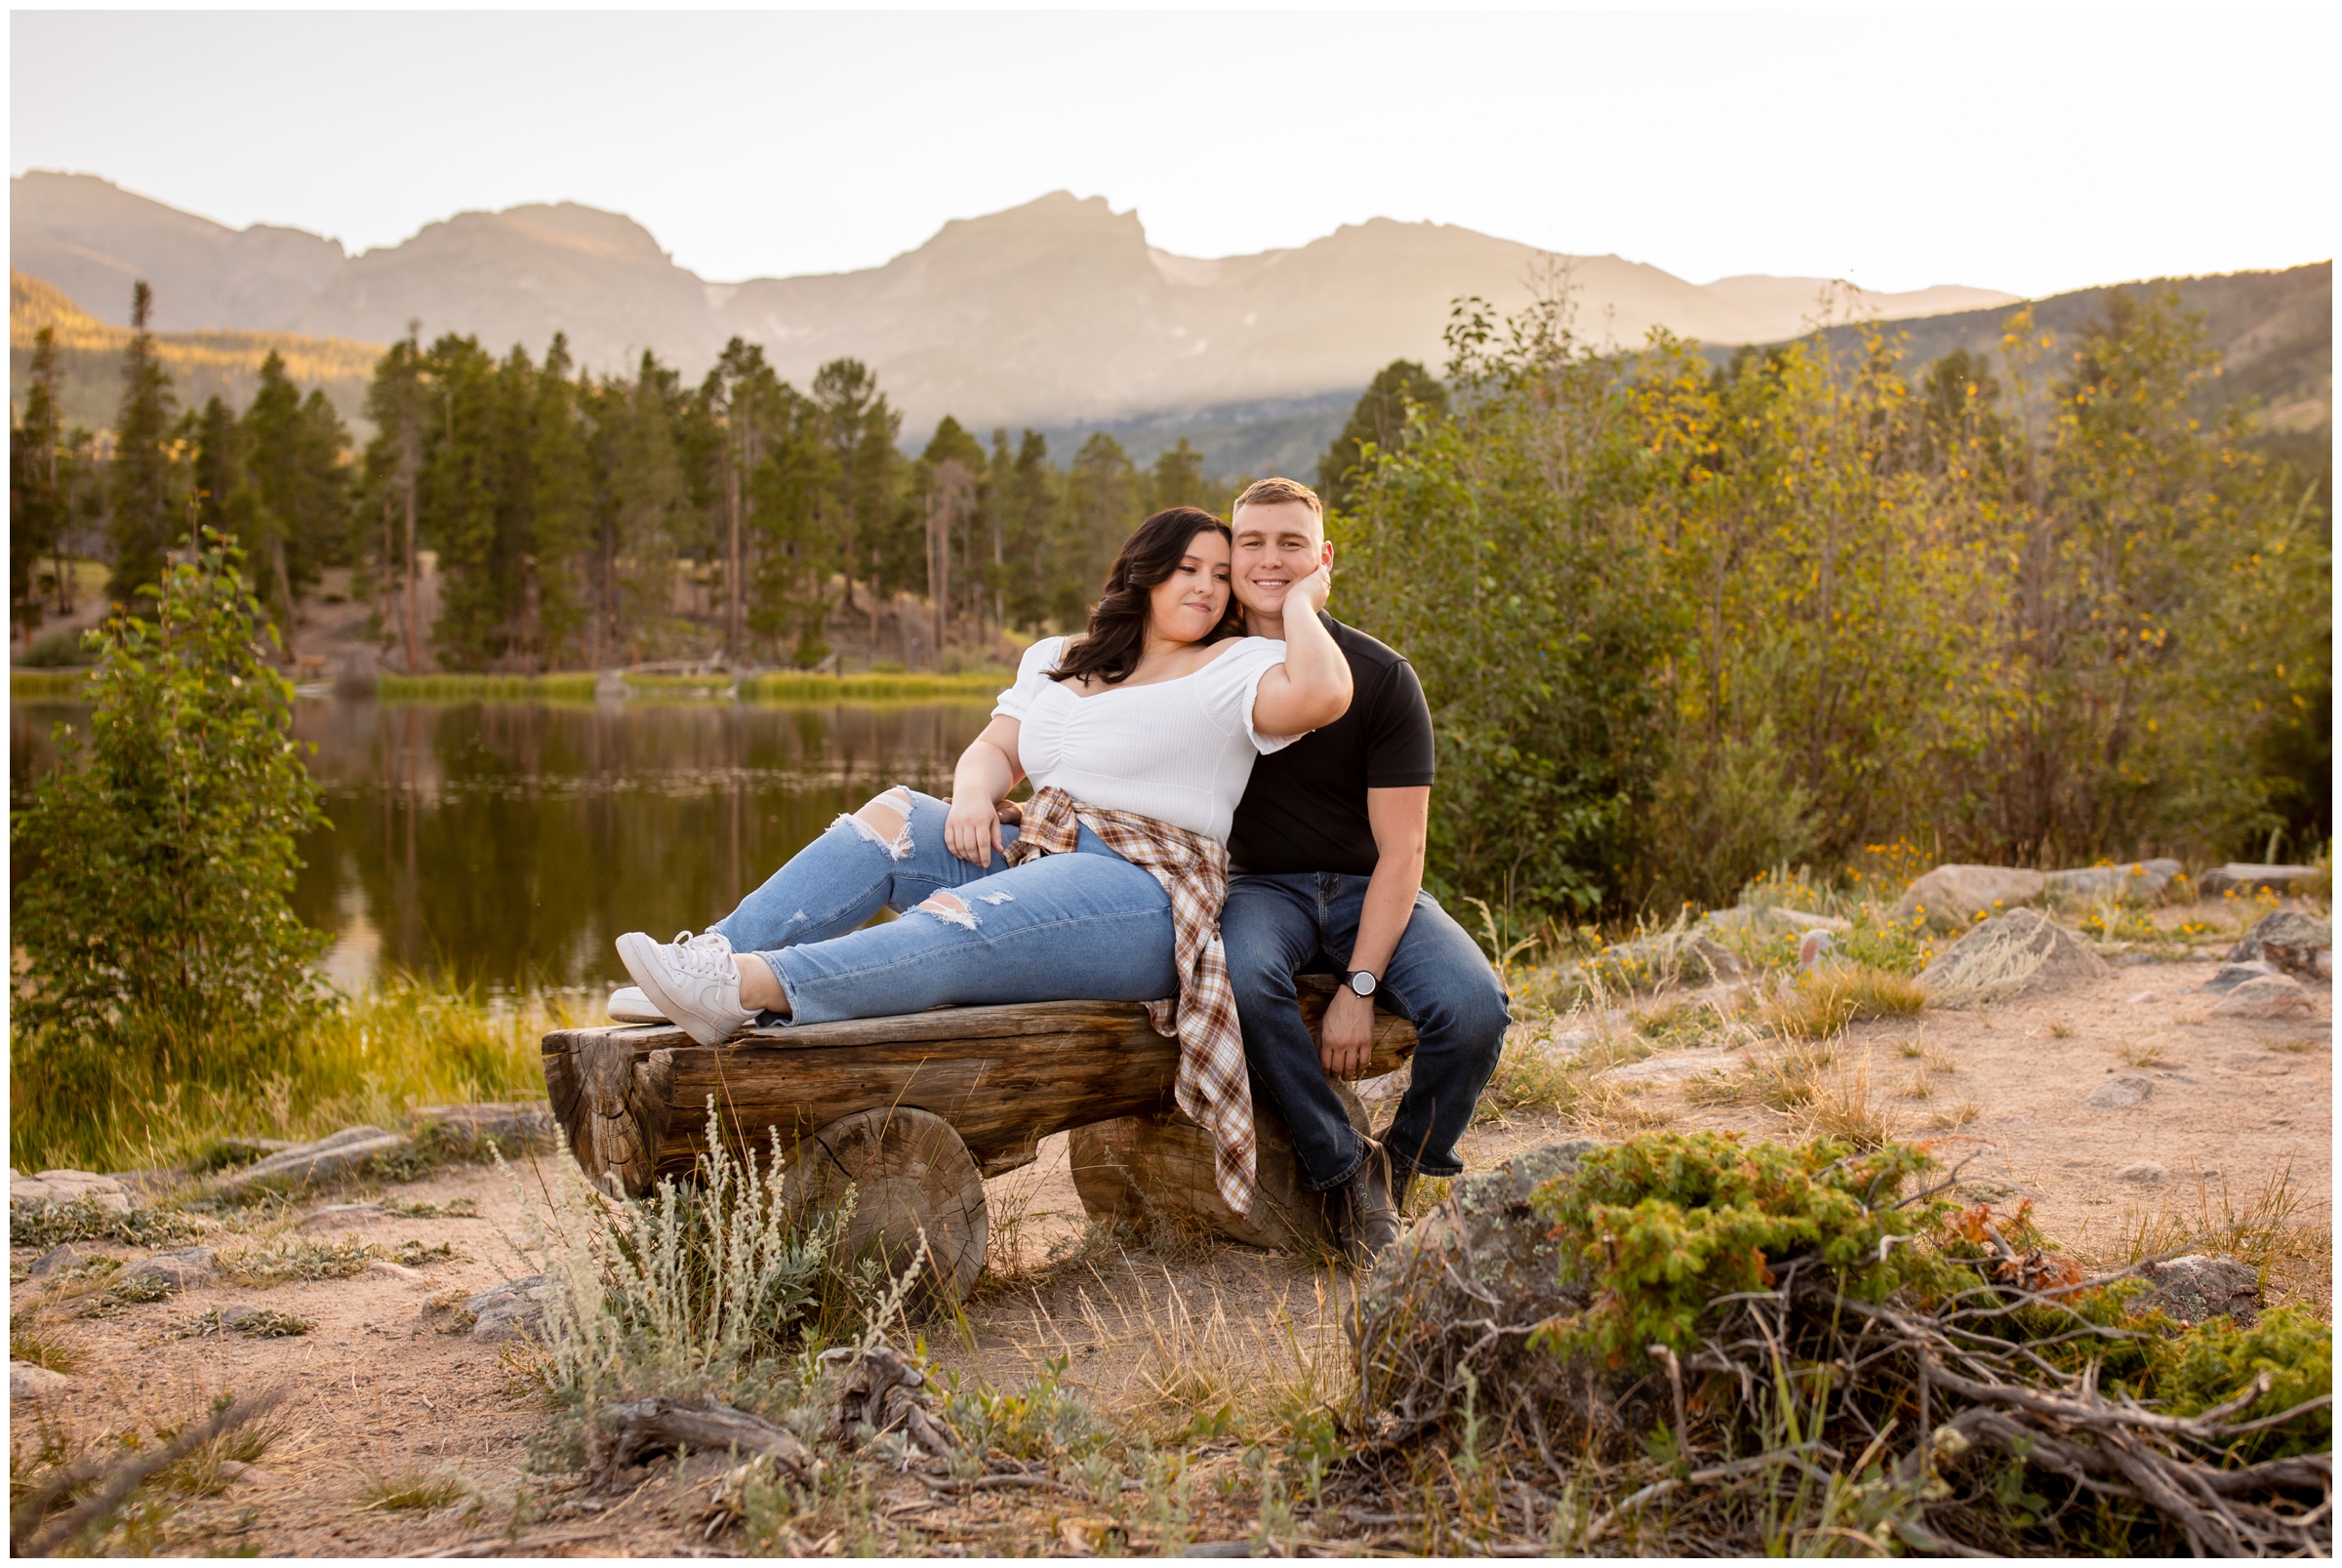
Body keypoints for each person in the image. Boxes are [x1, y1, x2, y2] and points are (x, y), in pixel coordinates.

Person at [610, 505, 1353, 1216]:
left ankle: (747, 987)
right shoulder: (1063, 656)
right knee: (896, 813)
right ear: (1143, 574)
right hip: (1039, 848)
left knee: (961, 917)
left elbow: (1323, 692)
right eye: (1186, 567)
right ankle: (716, 952)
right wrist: (970, 797)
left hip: (1145, 895)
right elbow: (996, 748)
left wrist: (1301, 600)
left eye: (1221, 575)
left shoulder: (1238, 663)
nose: (1206, 585)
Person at [1217, 476, 1510, 1267]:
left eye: (1290, 543)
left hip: (1369, 887)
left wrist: (1361, 986)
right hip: (1260, 891)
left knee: (1474, 1007)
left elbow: (1403, 851)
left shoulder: (1381, 677)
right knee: (1240, 981)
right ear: (1229, 552)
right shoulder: (1206, 667)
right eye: (1253, 541)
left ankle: (1401, 1169)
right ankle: (1344, 1169)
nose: (1270, 560)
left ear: (1324, 557)